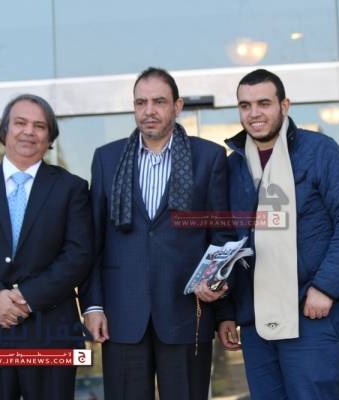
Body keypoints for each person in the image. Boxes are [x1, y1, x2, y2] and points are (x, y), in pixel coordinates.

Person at [79, 67, 233, 400]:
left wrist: (214, 283)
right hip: (121, 316)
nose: (149, 111)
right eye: (141, 103)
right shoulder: (106, 159)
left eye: (159, 102)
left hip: (186, 313)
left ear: (177, 106)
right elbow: (93, 241)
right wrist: (92, 306)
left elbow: (221, 234)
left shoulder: (209, 158)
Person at [219, 69, 339, 399]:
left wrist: (326, 287)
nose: (254, 113)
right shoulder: (233, 166)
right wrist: (226, 313)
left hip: (310, 311)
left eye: (264, 103)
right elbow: (228, 239)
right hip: (256, 319)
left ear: (284, 105)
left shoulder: (319, 151)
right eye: (245, 105)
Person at [0, 94, 93, 400]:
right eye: (20, 123)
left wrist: (26, 298)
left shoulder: (72, 188)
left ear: (49, 137)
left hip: (52, 335)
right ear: (5, 131)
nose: (29, 132)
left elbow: (78, 254)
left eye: (39, 126)